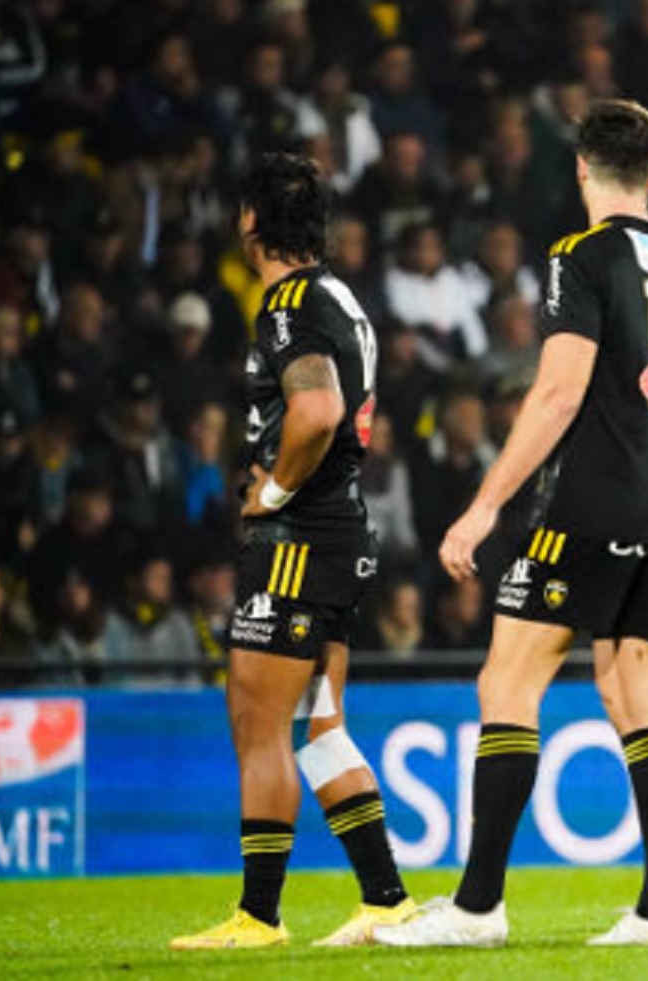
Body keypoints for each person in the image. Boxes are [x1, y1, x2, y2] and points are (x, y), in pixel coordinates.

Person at [375, 99, 648, 949]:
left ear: (581, 168)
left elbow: (559, 391)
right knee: (635, 693)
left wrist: (485, 503)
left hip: (589, 501)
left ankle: (477, 907)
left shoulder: (580, 256)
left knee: (507, 686)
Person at [170, 154, 415, 950]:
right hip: (340, 530)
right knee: (322, 727)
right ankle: (385, 899)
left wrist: (272, 488)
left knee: (256, 718)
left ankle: (259, 915)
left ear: (252, 223)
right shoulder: (343, 297)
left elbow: (316, 409)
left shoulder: (289, 302)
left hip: (299, 538)